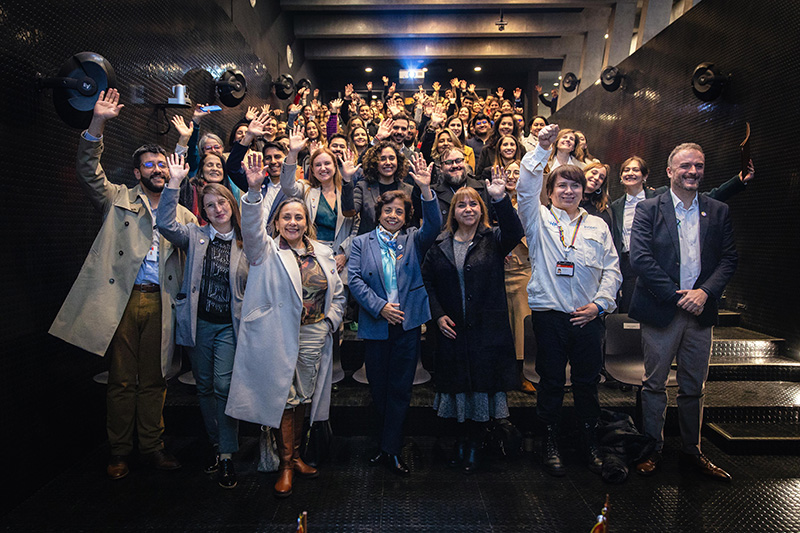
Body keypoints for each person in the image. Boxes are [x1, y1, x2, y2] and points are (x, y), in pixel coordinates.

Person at [49, 89, 194, 479]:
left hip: (162, 301)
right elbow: (87, 169)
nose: (157, 170)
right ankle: (118, 452)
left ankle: (153, 447)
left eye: (162, 165)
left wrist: (183, 146)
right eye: (150, 165)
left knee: (156, 380)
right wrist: (97, 121)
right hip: (123, 300)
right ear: (136, 172)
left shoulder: (182, 214)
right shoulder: (116, 198)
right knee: (121, 380)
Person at [225, 153, 346, 497]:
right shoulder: (265, 251)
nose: (293, 222)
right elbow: (251, 229)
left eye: (298, 217)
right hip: (277, 335)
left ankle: (296, 456)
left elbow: (337, 295)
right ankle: (286, 464)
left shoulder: (322, 252)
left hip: (313, 333)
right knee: (285, 398)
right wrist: (253, 192)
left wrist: (329, 322)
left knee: (304, 396)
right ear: (276, 223)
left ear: (307, 222)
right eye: (286, 217)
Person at [630, 143, 740, 482]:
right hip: (662, 309)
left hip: (701, 311)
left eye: (699, 166)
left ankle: (693, 450)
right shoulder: (648, 209)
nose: (693, 171)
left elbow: (729, 259)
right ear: (669, 171)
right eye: (685, 166)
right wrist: (678, 297)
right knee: (654, 384)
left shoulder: (718, 210)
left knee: (694, 386)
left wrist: (704, 293)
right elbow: (640, 259)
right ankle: (652, 449)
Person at [517, 124, 621, 477]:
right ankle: (550, 442)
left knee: (587, 385)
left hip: (589, 318)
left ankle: (590, 443)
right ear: (550, 191)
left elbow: (612, 271)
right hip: (550, 317)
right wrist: (542, 149)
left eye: (575, 185)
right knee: (550, 383)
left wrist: (599, 305)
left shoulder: (598, 226)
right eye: (561, 185)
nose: (568, 190)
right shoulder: (538, 219)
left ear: (583, 190)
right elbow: (525, 188)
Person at [422, 170, 524, 474]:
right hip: (453, 329)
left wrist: (500, 198)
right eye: (462, 205)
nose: (468, 209)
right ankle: (461, 441)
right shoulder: (440, 243)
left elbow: (515, 230)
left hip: (485, 331)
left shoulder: (494, 239)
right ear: (453, 212)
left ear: (482, 210)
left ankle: (476, 444)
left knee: (481, 387)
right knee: (458, 388)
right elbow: (427, 282)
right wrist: (437, 314)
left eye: (474, 204)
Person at [157, 155, 250, 488]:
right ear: (204, 211)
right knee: (205, 387)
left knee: (224, 387)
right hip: (198, 323)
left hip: (229, 326)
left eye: (221, 202)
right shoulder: (195, 236)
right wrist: (174, 183)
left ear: (231, 204)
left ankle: (226, 454)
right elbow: (165, 224)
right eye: (209, 205)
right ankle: (216, 445)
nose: (217, 209)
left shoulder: (246, 240)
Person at [348, 153, 442, 476]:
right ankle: (384, 444)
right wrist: (380, 307)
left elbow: (435, 225)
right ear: (379, 214)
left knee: (401, 388)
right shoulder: (361, 243)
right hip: (376, 324)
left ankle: (392, 449)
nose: (393, 215)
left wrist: (425, 190)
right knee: (378, 388)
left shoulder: (413, 239)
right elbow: (354, 280)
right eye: (388, 210)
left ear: (406, 217)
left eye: (399, 211)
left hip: (407, 324)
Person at [609, 155, 753, 312]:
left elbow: (709, 198)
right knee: (631, 312)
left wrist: (737, 182)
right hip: (629, 264)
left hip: (661, 264)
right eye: (626, 170)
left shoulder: (660, 196)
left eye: (635, 170)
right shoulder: (615, 206)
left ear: (645, 176)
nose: (630, 173)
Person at [352, 141, 412, 236]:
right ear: (374, 163)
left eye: (391, 158)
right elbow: (350, 211)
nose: (388, 162)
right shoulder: (363, 187)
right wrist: (347, 180)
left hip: (400, 242)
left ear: (398, 161)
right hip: (368, 241)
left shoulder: (408, 190)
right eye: (382, 159)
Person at [581, 162, 612, 230]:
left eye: (601, 177)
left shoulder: (605, 204)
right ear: (584, 173)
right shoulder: (570, 198)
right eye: (594, 173)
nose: (596, 178)